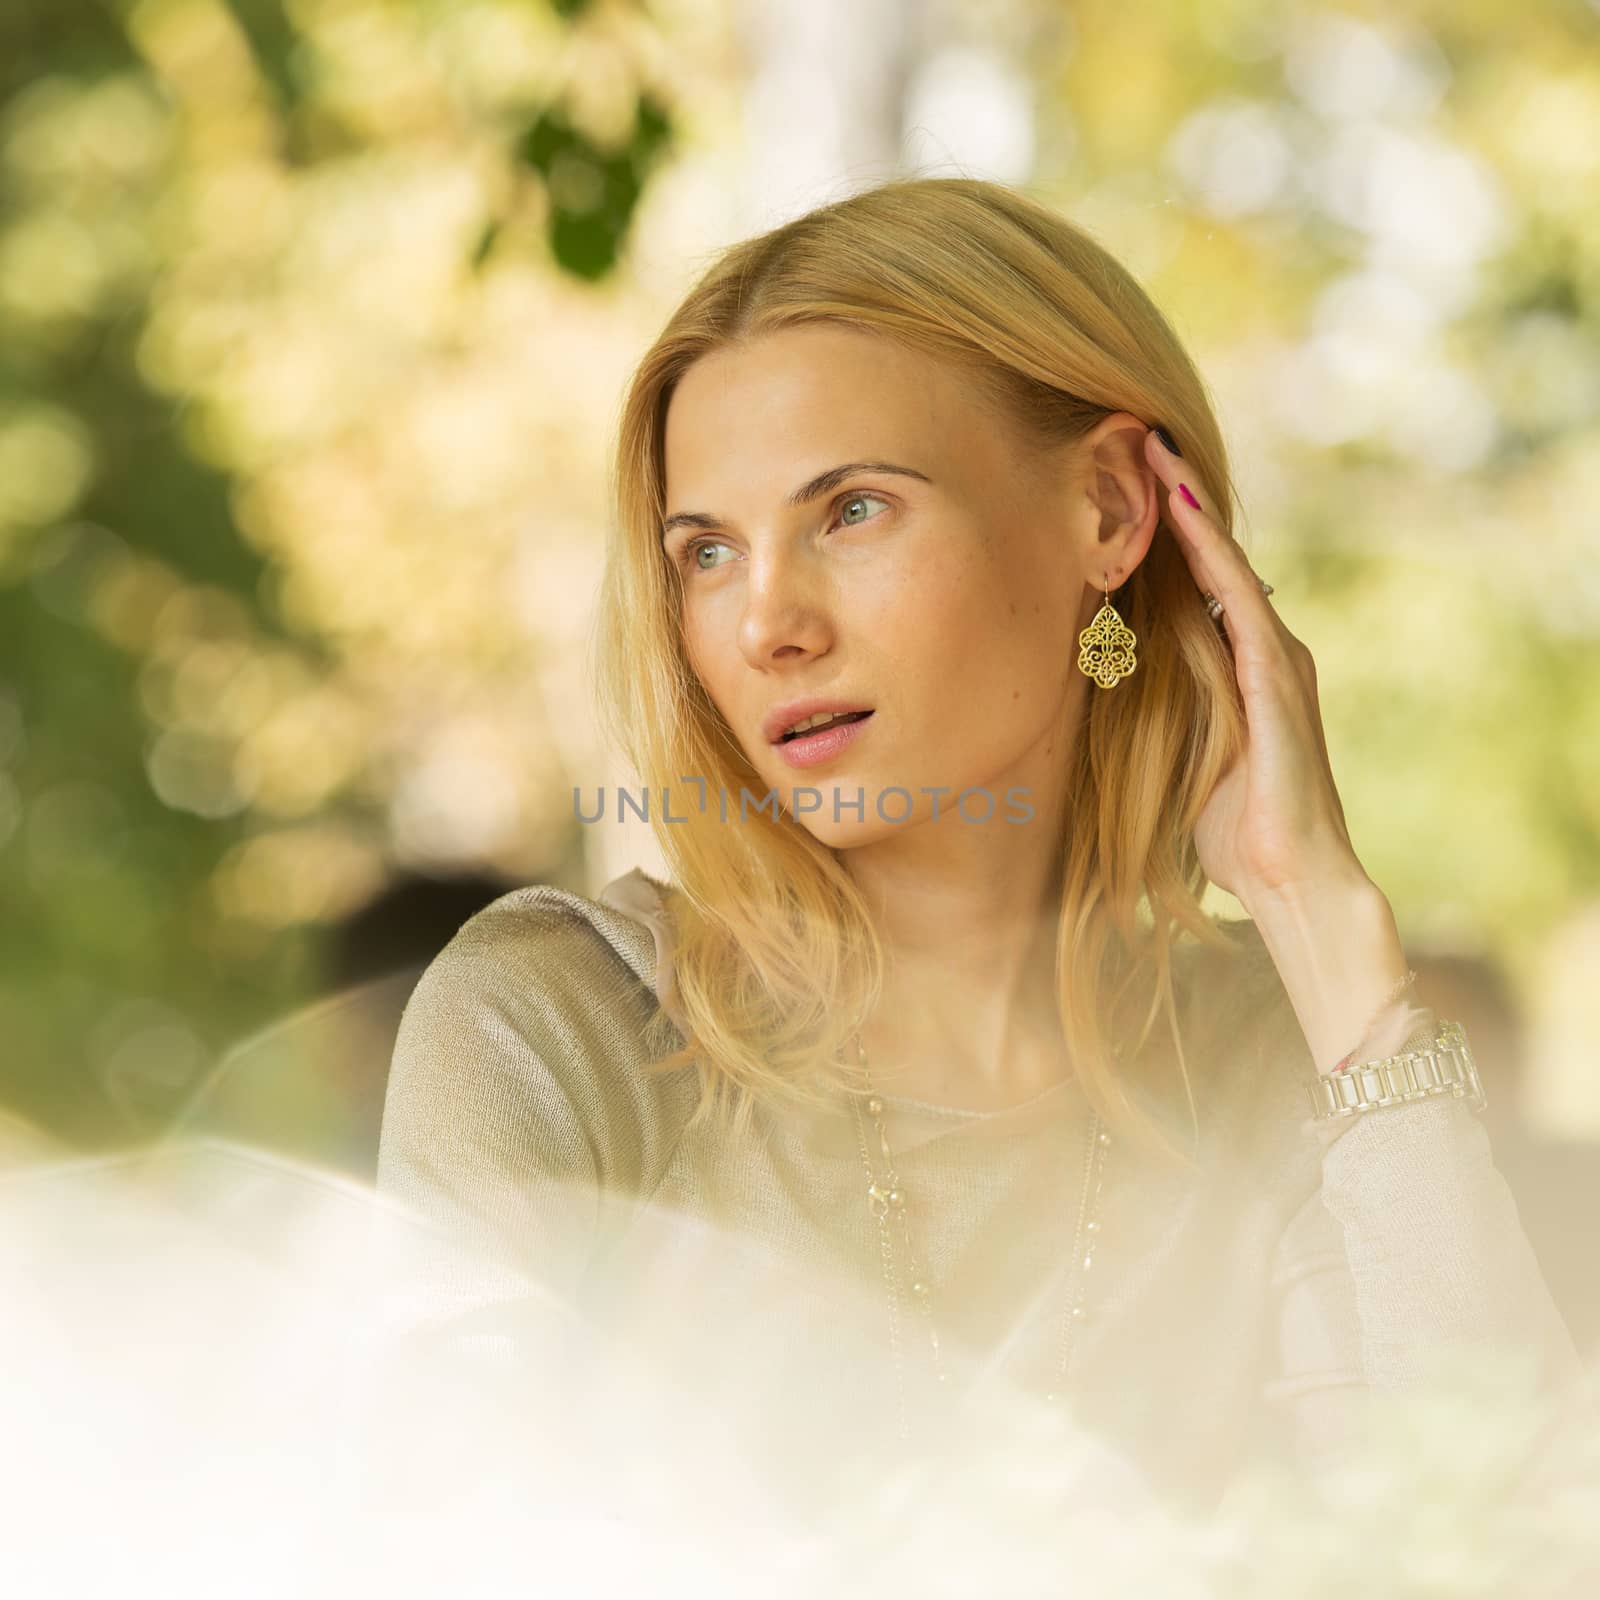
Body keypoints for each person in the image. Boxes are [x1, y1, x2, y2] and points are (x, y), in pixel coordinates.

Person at [374, 177, 1593, 1550]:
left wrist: (1322, 920)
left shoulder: (1274, 1066)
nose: (767, 622)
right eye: (708, 551)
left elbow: (1504, 1534)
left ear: (1112, 511)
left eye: (851, 512)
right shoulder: (560, 1028)